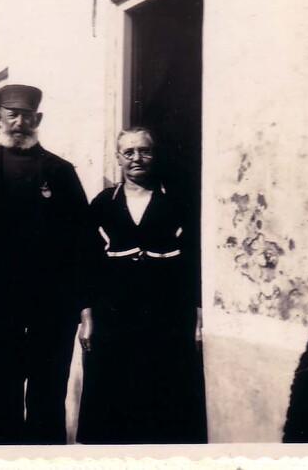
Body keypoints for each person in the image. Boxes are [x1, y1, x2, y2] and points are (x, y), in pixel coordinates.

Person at [0, 84, 101, 444]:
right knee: (1, 395)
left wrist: (84, 306)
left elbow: (82, 242)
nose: (18, 123)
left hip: (52, 309)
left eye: (26, 116)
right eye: (12, 115)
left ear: (38, 119)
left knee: (47, 396)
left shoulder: (60, 172)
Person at [76, 127, 207, 444]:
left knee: (163, 395)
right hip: (113, 318)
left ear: (154, 155)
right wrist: (87, 318)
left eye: (144, 151)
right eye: (129, 152)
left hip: (167, 317)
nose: (137, 158)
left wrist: (198, 317)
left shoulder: (177, 201)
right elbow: (85, 264)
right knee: (113, 397)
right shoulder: (103, 203)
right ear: (118, 158)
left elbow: (194, 262)